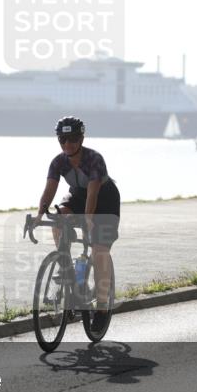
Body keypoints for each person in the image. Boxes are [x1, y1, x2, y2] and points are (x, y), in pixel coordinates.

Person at [33, 116, 120, 332]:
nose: (67, 144)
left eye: (72, 139)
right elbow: (50, 190)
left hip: (105, 200)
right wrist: (38, 215)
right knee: (58, 217)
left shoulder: (94, 159)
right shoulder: (58, 162)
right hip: (79, 196)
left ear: (81, 138)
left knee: (99, 251)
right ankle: (66, 263)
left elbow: (93, 194)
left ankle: (101, 309)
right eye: (62, 139)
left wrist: (89, 220)